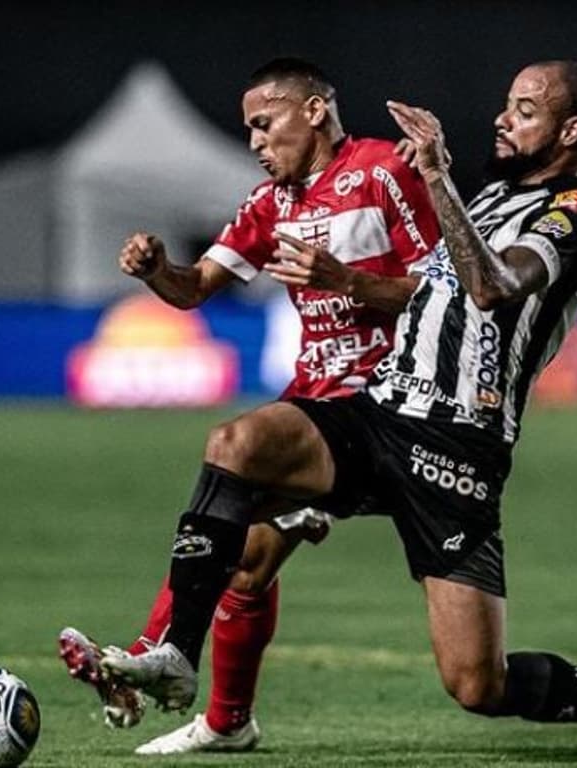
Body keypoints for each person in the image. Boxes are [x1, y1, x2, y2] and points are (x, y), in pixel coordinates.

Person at [100, 60, 577, 759]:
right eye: (506, 106)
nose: (502, 119)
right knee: (237, 446)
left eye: (523, 109)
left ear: (571, 130)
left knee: (477, 685)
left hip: (460, 449)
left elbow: (489, 288)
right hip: (381, 413)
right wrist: (363, 267)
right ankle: (177, 656)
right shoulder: (483, 200)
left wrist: (428, 184)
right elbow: (426, 289)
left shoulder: (574, 218)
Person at [57, 57, 442, 754]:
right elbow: (195, 286)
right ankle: (222, 715)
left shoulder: (385, 169)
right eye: (249, 132)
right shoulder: (271, 204)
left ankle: (160, 655)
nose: (256, 143)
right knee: (243, 561)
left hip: (390, 408)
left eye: (264, 124)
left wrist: (348, 281)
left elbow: (444, 289)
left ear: (315, 111)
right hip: (314, 407)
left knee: (234, 462)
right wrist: (155, 271)